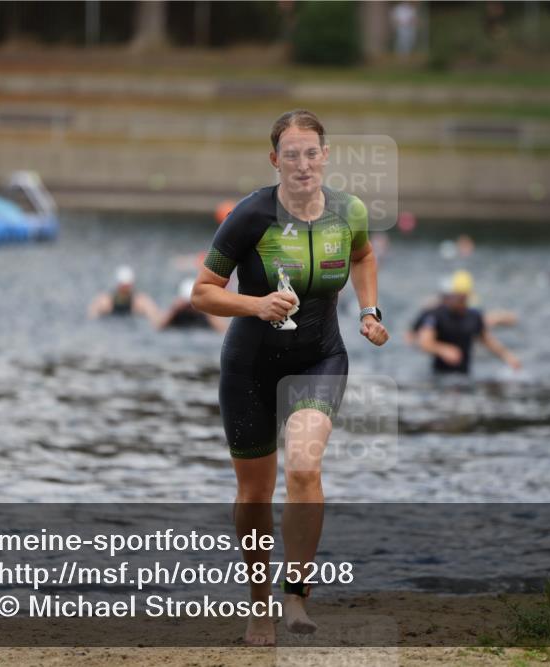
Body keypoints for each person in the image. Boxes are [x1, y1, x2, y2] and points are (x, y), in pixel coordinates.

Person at [190, 109, 388, 646]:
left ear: (326, 156)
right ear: (275, 160)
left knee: (304, 466)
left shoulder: (348, 211)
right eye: (292, 155)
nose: (303, 164)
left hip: (320, 357)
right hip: (250, 365)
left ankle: (295, 595)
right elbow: (202, 292)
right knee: (255, 493)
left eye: (312, 153)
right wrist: (255, 304)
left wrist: (370, 312)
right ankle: (260, 606)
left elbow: (364, 257)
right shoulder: (251, 215)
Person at [417, 270, 520, 374]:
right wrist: (443, 350)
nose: (460, 302)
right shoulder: (437, 314)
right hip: (439, 375)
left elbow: (487, 341)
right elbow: (424, 342)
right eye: (458, 297)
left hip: (465, 374)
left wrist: (508, 357)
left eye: (463, 298)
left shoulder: (474, 316)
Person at [86, 265, 159, 320]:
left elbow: (154, 315)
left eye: (127, 286)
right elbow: (91, 316)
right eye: (123, 286)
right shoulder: (106, 300)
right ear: (118, 285)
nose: (125, 289)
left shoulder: (140, 301)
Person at [156, 278, 227, 332]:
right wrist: (174, 309)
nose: (190, 307)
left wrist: (206, 310)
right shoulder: (177, 312)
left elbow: (222, 330)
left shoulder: (203, 313)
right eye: (188, 304)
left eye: (192, 304)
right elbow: (159, 327)